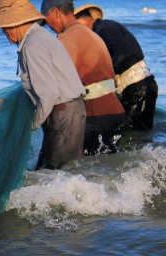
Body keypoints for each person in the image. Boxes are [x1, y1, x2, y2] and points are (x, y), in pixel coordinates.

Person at [0, 0, 86, 170]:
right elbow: (41, 86)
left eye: (5, 26)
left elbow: (49, 92)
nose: (3, 31)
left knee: (56, 174)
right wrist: (8, 104)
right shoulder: (39, 37)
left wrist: (31, 124)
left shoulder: (32, 45)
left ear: (16, 24)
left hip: (62, 114)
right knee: (55, 172)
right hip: (68, 111)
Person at [41, 0, 126, 155]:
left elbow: (57, 80)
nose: (48, 27)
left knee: (71, 170)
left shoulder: (67, 38)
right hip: (115, 111)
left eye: (46, 21)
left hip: (96, 114)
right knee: (105, 171)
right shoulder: (90, 34)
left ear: (55, 13)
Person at [75, 4, 159, 130]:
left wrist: (105, 75)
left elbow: (124, 54)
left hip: (137, 88)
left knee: (130, 135)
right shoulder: (107, 27)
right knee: (140, 134)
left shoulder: (103, 29)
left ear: (84, 21)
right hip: (142, 85)